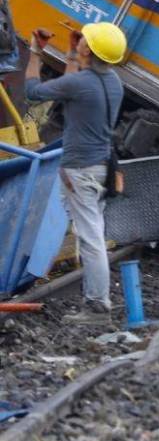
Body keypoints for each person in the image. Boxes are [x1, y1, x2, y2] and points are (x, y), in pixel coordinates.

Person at [24, 22, 126, 326]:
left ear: (89, 51)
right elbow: (73, 86)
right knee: (90, 232)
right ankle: (91, 297)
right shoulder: (113, 82)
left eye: (85, 40)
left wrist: (35, 52)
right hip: (100, 168)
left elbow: (31, 93)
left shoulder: (81, 83)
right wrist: (71, 53)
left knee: (91, 238)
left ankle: (97, 307)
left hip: (80, 171)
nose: (81, 39)